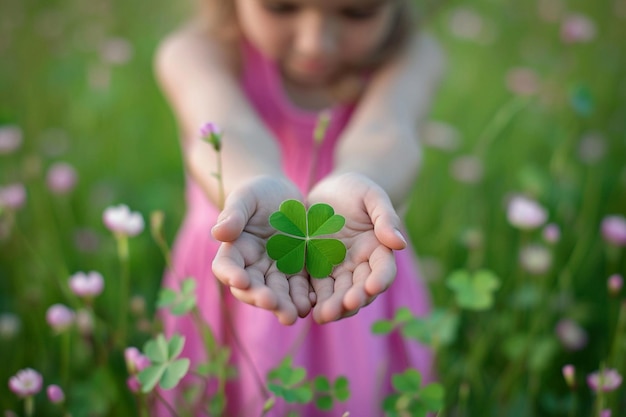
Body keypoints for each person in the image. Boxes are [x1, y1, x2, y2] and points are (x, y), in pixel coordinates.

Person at [154, 0, 444, 415]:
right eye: (281, 7)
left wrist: (360, 178)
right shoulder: (196, 53)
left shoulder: (412, 55)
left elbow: (387, 132)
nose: (314, 43)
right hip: (242, 259)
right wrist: (252, 182)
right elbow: (226, 128)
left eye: (356, 13)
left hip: (351, 262)